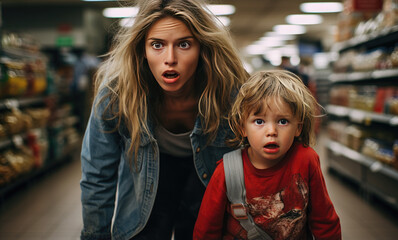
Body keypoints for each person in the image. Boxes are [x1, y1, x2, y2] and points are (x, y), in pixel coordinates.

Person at [79, 0, 249, 239]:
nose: (170, 58)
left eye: (184, 44)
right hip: (145, 192)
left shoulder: (231, 93)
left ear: (202, 48)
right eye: (157, 45)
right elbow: (97, 176)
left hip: (208, 185)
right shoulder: (117, 96)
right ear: (142, 49)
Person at [193, 70, 341, 240]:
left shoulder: (306, 160)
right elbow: (206, 230)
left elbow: (324, 221)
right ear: (243, 128)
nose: (271, 131)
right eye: (259, 121)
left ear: (298, 128)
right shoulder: (227, 171)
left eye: (283, 121)